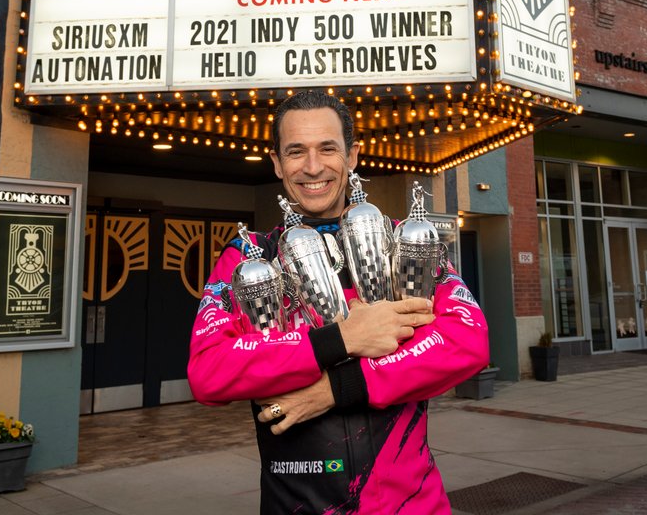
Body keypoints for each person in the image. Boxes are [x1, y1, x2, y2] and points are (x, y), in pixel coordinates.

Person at [187, 89, 490, 514]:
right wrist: (340, 340)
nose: (313, 167)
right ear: (276, 162)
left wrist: (337, 389)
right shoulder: (247, 259)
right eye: (296, 152)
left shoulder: (405, 239)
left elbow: (467, 341)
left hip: (412, 505)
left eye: (327, 148)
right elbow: (209, 371)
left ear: (353, 155)